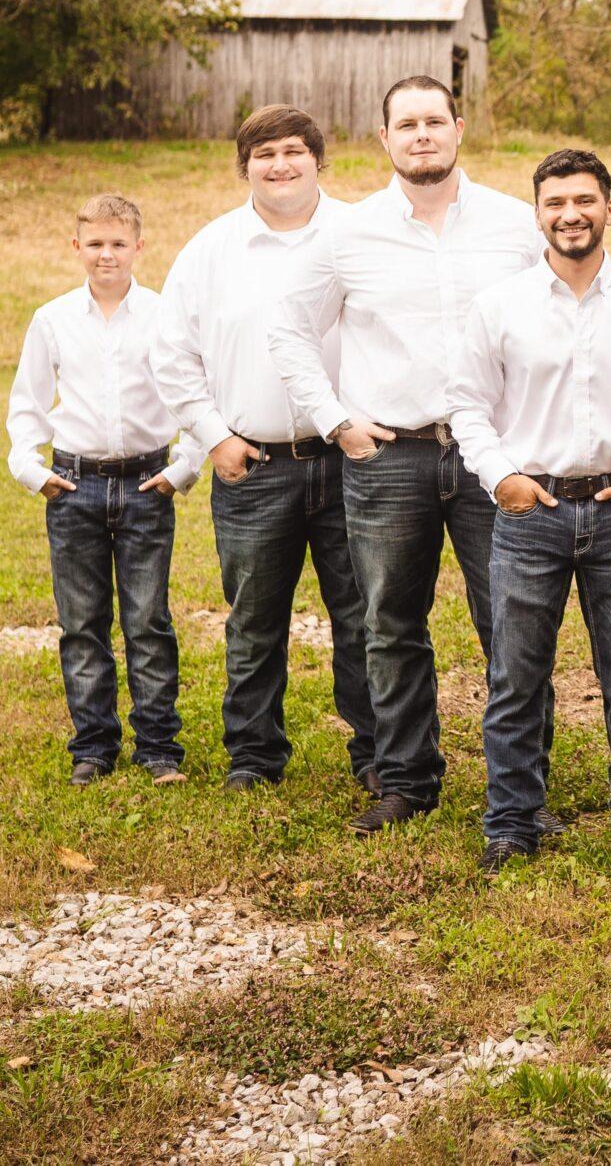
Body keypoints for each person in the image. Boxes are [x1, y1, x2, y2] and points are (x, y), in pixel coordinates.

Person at [266, 75, 543, 835]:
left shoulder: (518, 226)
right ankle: (406, 780)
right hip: (390, 458)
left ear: (459, 128)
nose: (422, 135)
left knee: (512, 623)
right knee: (389, 623)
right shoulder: (348, 235)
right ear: (384, 141)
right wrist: (336, 420)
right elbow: (288, 329)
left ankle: (523, 789)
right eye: (405, 125)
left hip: (495, 457)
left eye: (434, 121)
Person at [448, 149, 611, 873]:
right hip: (528, 513)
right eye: (555, 203)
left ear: (610, 207)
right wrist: (502, 478)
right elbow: (468, 406)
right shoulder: (499, 305)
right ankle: (511, 822)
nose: (570, 215)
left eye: (584, 200)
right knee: (516, 677)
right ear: (537, 213)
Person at [153, 105, 379, 795]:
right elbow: (171, 354)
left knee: (366, 613)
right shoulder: (211, 249)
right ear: (244, 165)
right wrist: (214, 436)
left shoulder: (361, 235)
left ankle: (379, 753)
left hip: (352, 462)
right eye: (264, 154)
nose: (280, 164)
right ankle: (253, 756)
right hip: (253, 464)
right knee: (254, 618)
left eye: (294, 151)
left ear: (319, 158)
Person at [5, 192, 201, 787]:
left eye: (119, 243)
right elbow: (27, 403)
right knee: (82, 623)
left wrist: (185, 466)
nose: (106, 254)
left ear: (139, 247)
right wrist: (33, 470)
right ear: (76, 248)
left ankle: (158, 746)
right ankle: (93, 746)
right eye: (94, 244)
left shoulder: (166, 315)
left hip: (147, 485)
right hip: (76, 487)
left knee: (147, 620)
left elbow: (194, 397)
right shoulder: (53, 318)